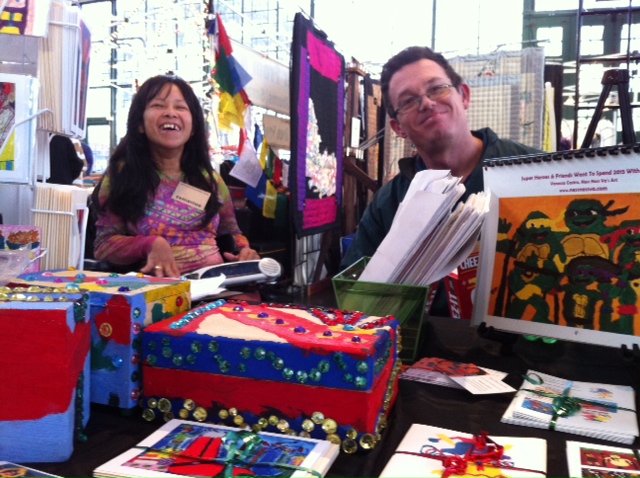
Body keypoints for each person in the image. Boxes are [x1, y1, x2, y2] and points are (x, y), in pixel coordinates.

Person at [341, 46, 542, 316]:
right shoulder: (388, 203)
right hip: (419, 351)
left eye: (437, 89)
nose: (426, 102)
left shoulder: (535, 172)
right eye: (409, 100)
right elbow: (354, 299)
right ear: (398, 128)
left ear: (464, 95)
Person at [93, 74, 260, 278]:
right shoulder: (122, 175)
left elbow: (232, 233)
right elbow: (103, 245)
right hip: (157, 293)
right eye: (158, 105)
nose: (170, 113)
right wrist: (149, 244)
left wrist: (243, 251)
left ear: (193, 128)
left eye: (180, 107)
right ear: (140, 124)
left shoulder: (209, 179)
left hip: (216, 286)